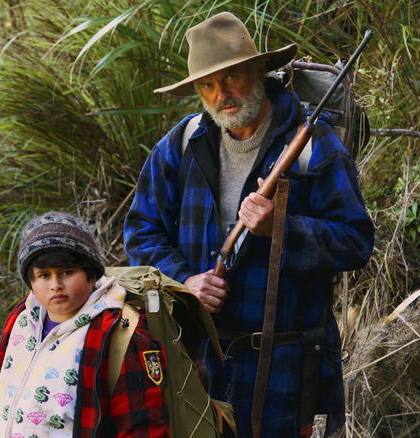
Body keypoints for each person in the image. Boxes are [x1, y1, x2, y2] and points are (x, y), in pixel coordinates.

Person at [124, 12, 374, 438]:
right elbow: (141, 231)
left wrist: (283, 228)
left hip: (291, 370)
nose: (222, 94)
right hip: (204, 363)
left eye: (232, 77)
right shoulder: (181, 145)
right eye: (208, 85)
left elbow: (356, 241)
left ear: (259, 71)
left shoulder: (316, 145)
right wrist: (184, 282)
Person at [0, 211, 170, 438]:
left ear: (91, 274)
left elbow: (142, 427)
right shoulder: (21, 321)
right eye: (44, 275)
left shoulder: (120, 336)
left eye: (66, 272)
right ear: (31, 281)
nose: (55, 285)